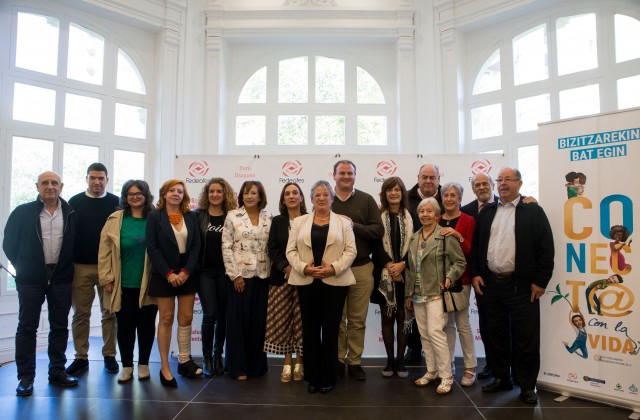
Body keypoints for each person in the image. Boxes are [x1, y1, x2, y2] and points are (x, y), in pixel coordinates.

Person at [471, 167, 555, 405]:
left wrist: (540, 281)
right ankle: (501, 378)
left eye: (508, 179)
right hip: (491, 285)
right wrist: (476, 273)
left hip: (522, 286)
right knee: (495, 335)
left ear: (519, 183)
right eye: (500, 180)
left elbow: (546, 248)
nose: (503, 183)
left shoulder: (533, 211)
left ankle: (527, 386)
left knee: (524, 338)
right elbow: (477, 247)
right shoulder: (487, 212)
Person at [3, 171, 78, 396]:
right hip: (30, 279)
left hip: (61, 278)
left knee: (60, 327)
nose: (50, 187)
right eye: (45, 183)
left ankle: (57, 371)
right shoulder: (22, 212)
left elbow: (77, 243)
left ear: (61, 186)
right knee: (27, 327)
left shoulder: (71, 213)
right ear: (37, 186)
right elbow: (9, 244)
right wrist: (24, 266)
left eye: (54, 183)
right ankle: (26, 377)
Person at [286, 180, 356, 394]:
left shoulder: (343, 223)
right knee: (310, 330)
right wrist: (303, 268)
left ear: (332, 198)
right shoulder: (299, 222)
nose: (322, 198)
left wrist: (333, 268)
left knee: (331, 330)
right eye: (317, 195)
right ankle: (313, 377)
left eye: (326, 194)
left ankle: (329, 377)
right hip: (307, 282)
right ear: (311, 199)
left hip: (334, 282)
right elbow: (290, 252)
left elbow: (351, 251)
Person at [98, 180, 158, 383]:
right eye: (130, 193)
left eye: (139, 193)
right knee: (124, 326)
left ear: (146, 195)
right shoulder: (115, 219)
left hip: (149, 283)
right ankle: (126, 366)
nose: (135, 196)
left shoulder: (155, 218)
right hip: (122, 284)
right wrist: (106, 277)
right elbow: (104, 251)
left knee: (147, 325)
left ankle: (143, 365)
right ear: (125, 196)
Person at [405, 197, 466, 395]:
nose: (424, 214)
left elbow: (460, 263)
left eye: (429, 211)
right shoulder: (414, 237)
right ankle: (431, 371)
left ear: (436, 213)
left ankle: (446, 376)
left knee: (436, 333)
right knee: (424, 335)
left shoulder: (446, 235)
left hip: (436, 293)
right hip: (417, 294)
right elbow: (410, 269)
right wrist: (408, 294)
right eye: (422, 211)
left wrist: (449, 277)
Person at [331, 160, 384, 380]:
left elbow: (378, 230)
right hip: (333, 270)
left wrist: (353, 225)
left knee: (357, 319)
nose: (345, 176)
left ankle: (354, 361)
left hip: (361, 267)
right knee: (337, 319)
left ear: (355, 175)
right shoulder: (325, 199)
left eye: (349, 173)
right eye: (341, 173)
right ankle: (337, 360)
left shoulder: (367, 199)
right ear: (333, 175)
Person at [66, 163, 120, 376]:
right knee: (81, 314)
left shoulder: (116, 202)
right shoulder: (74, 202)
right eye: (93, 178)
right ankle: (81, 357)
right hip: (80, 267)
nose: (97, 182)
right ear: (86, 178)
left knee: (109, 313)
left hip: (108, 268)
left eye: (101, 178)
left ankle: (109, 355)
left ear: (107, 179)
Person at [147, 179, 202, 387]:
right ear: (164, 194)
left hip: (187, 272)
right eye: (172, 190)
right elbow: (152, 248)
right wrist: (169, 273)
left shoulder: (191, 216)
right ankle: (164, 367)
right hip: (163, 273)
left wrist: (186, 271)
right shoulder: (154, 216)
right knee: (167, 318)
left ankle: (184, 360)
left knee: (186, 317)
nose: (176, 194)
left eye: (180, 191)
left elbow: (196, 245)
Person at [221, 180, 272, 380]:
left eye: (253, 193)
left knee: (258, 322)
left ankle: (256, 366)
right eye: (245, 193)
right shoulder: (233, 216)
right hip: (240, 277)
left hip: (263, 276)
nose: (249, 196)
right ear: (241, 196)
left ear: (260, 196)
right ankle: (238, 367)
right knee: (238, 323)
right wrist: (235, 275)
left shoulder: (269, 217)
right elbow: (226, 247)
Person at [370, 177, 413, 378]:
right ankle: (389, 361)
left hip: (407, 274)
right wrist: (390, 266)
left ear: (402, 193)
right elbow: (375, 246)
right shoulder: (378, 216)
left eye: (397, 189)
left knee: (403, 318)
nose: (394, 193)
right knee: (387, 318)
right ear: (384, 194)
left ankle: (401, 361)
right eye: (390, 190)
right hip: (384, 275)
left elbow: (415, 246)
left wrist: (402, 264)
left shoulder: (411, 216)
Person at [195, 178, 237, 377]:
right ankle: (207, 358)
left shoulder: (232, 216)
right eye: (211, 191)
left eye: (219, 191)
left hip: (225, 273)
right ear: (207, 194)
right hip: (204, 273)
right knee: (210, 314)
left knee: (222, 316)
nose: (215, 195)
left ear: (225, 193)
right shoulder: (199, 216)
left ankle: (218, 354)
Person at [437, 182, 477, 386]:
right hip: (439, 282)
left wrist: (457, 235)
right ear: (442, 199)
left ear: (460, 198)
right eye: (446, 195)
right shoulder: (436, 220)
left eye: (454, 195)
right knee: (446, 325)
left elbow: (471, 250)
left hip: (461, 280)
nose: (450, 199)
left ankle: (470, 367)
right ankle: (448, 363)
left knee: (463, 324)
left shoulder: (468, 220)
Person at [266, 183, 306, 382]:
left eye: (295, 193)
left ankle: (301, 360)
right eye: (287, 194)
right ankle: (287, 362)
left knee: (301, 321)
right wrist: (285, 266)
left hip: (305, 277)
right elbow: (272, 248)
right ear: (283, 199)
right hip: (281, 277)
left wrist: (299, 267)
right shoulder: (278, 221)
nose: (291, 196)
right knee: (283, 322)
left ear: (301, 197)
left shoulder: (310, 219)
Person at [404, 163, 444, 364]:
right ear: (418, 178)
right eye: (424, 177)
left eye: (432, 177)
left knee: (437, 320)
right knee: (413, 309)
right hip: (411, 264)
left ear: (439, 179)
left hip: (437, 268)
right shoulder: (405, 198)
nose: (428, 181)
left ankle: (440, 359)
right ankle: (414, 347)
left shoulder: (447, 198)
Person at [460, 172, 497, 380]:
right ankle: (491, 365)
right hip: (479, 276)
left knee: (503, 325)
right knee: (486, 324)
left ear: (492, 185)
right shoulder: (467, 211)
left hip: (503, 275)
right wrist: (474, 273)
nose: (482, 187)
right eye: (478, 185)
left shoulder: (506, 205)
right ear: (473, 189)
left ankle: (507, 366)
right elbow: (471, 249)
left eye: (485, 183)